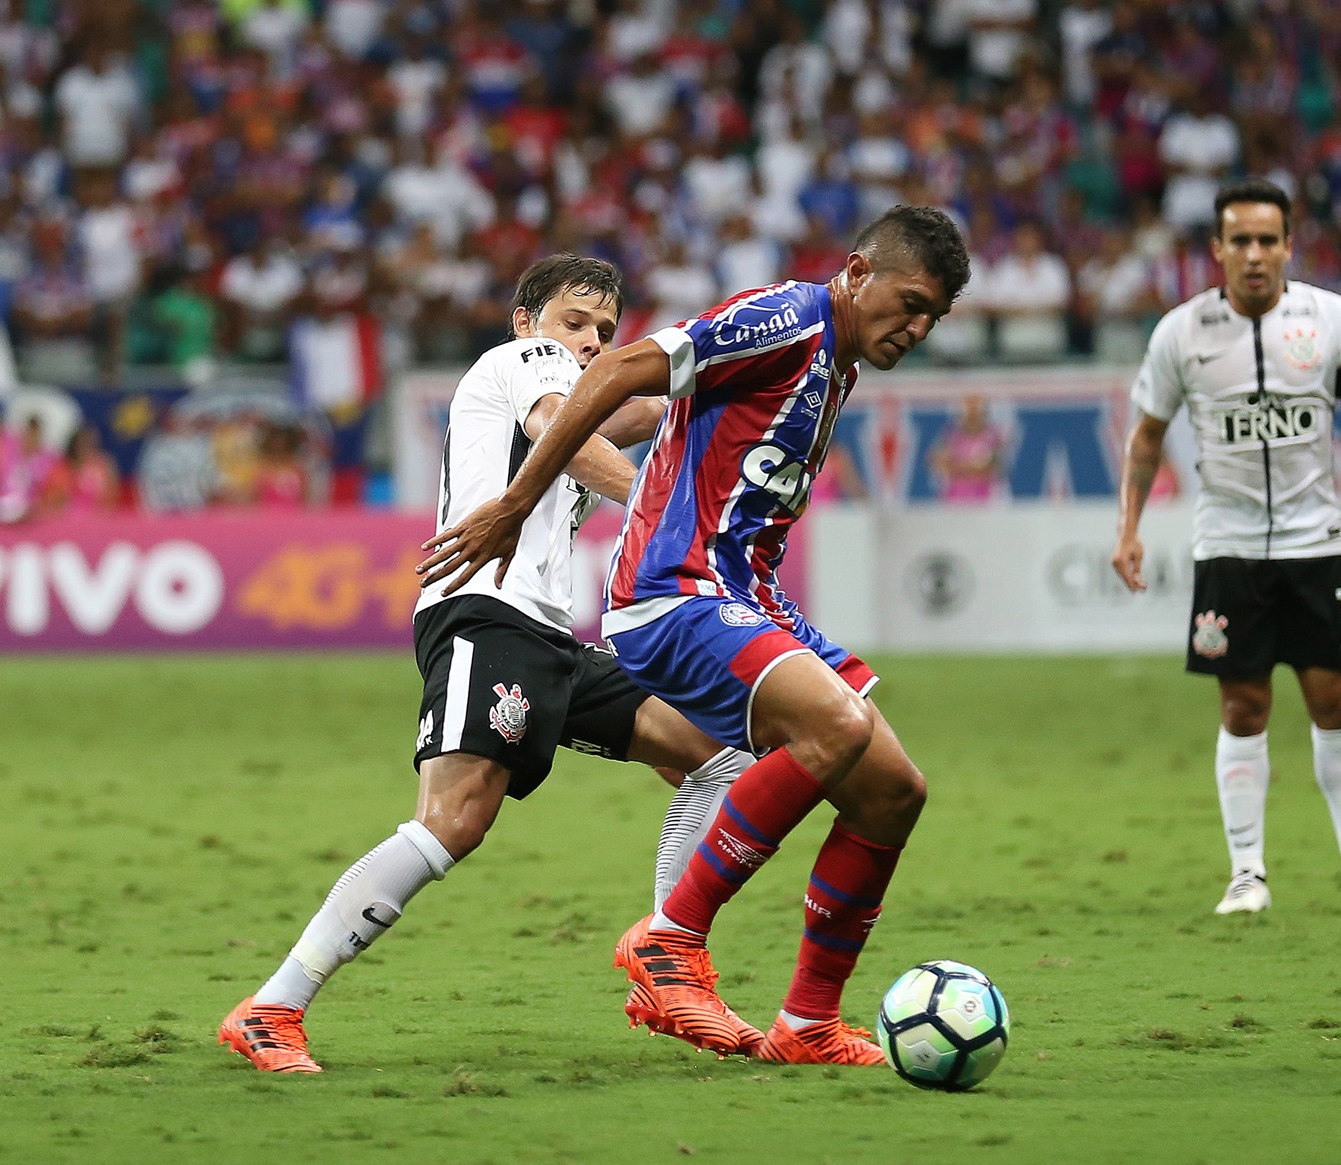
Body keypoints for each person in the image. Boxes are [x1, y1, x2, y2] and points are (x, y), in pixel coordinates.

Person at [416, 206, 971, 1065]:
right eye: (908, 301)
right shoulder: (784, 317)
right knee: (837, 727)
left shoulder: (839, 359)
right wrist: (517, 503)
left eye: (933, 315)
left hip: (747, 596)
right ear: (858, 273)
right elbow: (618, 376)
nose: (918, 326)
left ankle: (807, 1025)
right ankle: (670, 938)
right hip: (673, 591)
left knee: (894, 788)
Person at [217, 255, 756, 1073]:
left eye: (606, 332)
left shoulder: (582, 381)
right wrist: (668, 509)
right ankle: (272, 1007)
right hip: (484, 612)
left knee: (717, 754)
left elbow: (645, 406)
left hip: (550, 637)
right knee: (453, 822)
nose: (590, 341)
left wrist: (729, 370)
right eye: (575, 323)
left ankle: (666, 963)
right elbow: (562, 433)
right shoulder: (519, 365)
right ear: (526, 322)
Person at [1113, 178, 1341, 917]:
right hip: (1228, 545)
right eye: (1239, 241)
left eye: (1267, 240)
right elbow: (1147, 438)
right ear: (1217, 249)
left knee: (1337, 699)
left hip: (1316, 541)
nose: (1254, 255)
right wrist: (1127, 527)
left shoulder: (1330, 318)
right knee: (1244, 709)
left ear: (1289, 245)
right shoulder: (1180, 333)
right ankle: (1247, 874)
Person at [930, 393, 1005, 502]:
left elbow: (995, 468)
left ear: (983, 412)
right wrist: (968, 467)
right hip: (954, 496)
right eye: (969, 409)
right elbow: (938, 462)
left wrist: (963, 467)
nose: (972, 413)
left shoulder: (994, 435)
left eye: (975, 410)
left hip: (984, 497)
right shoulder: (950, 434)